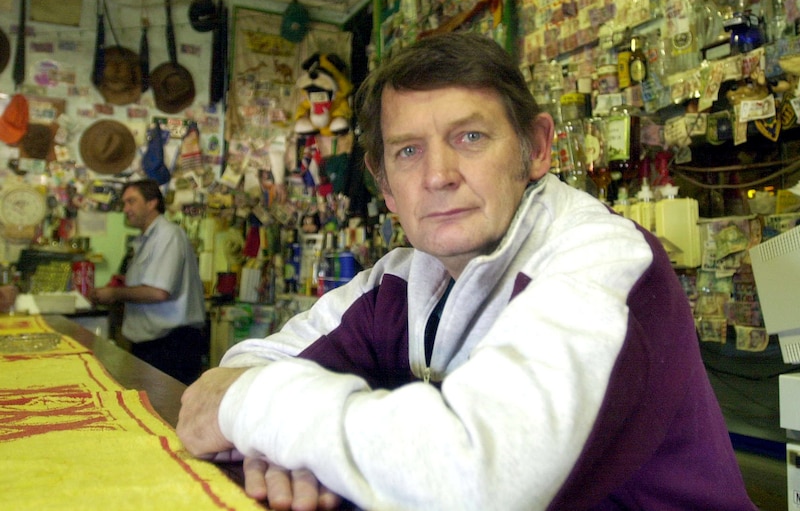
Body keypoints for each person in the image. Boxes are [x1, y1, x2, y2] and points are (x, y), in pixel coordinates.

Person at [177, 33, 757, 511]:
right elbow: (253, 363)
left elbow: (479, 476)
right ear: (385, 186)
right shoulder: (402, 279)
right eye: (408, 151)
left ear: (535, 147)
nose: (438, 174)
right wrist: (272, 443)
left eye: (470, 137)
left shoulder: (600, 260)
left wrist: (249, 413)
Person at [90, 179, 206, 385]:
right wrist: (121, 285)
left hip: (171, 345)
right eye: (125, 203)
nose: (126, 209)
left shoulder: (168, 235)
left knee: (165, 412)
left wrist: (114, 293)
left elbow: (158, 292)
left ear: (152, 203)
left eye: (131, 202)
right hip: (152, 343)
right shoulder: (145, 240)